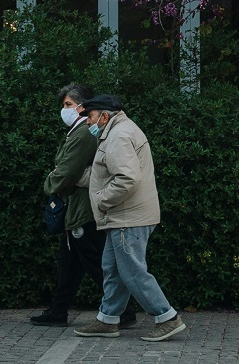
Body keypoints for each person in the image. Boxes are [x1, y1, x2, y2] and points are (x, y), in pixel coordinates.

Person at [72, 95, 186, 343]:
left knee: (132, 271)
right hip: (126, 216)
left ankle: (167, 318)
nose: (88, 122)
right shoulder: (117, 131)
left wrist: (102, 200)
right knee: (113, 269)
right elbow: (106, 171)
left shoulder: (118, 136)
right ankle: (108, 320)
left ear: (104, 115)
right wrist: (77, 178)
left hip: (127, 217)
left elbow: (127, 178)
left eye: (90, 116)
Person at [30, 84, 138, 329]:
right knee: (70, 263)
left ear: (82, 106)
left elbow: (66, 171)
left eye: (68, 105)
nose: (64, 110)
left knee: (96, 263)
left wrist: (50, 181)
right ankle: (58, 311)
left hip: (83, 209)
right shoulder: (80, 132)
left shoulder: (82, 134)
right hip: (77, 209)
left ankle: (123, 312)